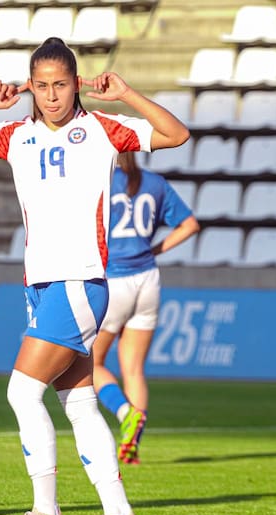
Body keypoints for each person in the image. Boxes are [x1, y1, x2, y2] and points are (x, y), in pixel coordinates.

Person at [0, 37, 189, 515]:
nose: (52, 96)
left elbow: (176, 134)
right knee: (79, 400)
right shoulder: (13, 135)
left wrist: (128, 94)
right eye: (43, 86)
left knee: (22, 392)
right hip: (41, 286)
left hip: (79, 281)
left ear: (77, 85)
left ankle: (46, 513)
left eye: (62, 85)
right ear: (30, 86)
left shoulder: (100, 129)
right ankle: (119, 513)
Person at [93, 152, 199, 465]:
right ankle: (133, 443)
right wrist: (153, 250)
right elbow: (190, 225)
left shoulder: (101, 181)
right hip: (148, 278)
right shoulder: (153, 182)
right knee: (134, 369)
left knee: (90, 363)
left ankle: (126, 414)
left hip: (114, 278)